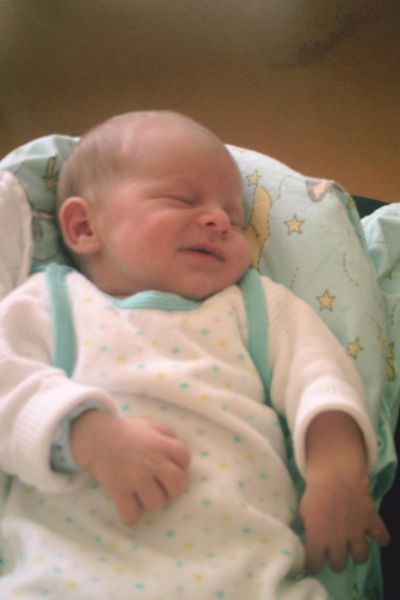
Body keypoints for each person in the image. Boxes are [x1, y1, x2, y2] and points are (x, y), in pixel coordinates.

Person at [0, 111, 389, 599]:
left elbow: (322, 376)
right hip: (65, 574)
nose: (219, 221)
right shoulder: (49, 302)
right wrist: (88, 436)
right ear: (83, 227)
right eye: (182, 200)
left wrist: (337, 470)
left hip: (252, 575)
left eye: (235, 220)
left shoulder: (256, 305)